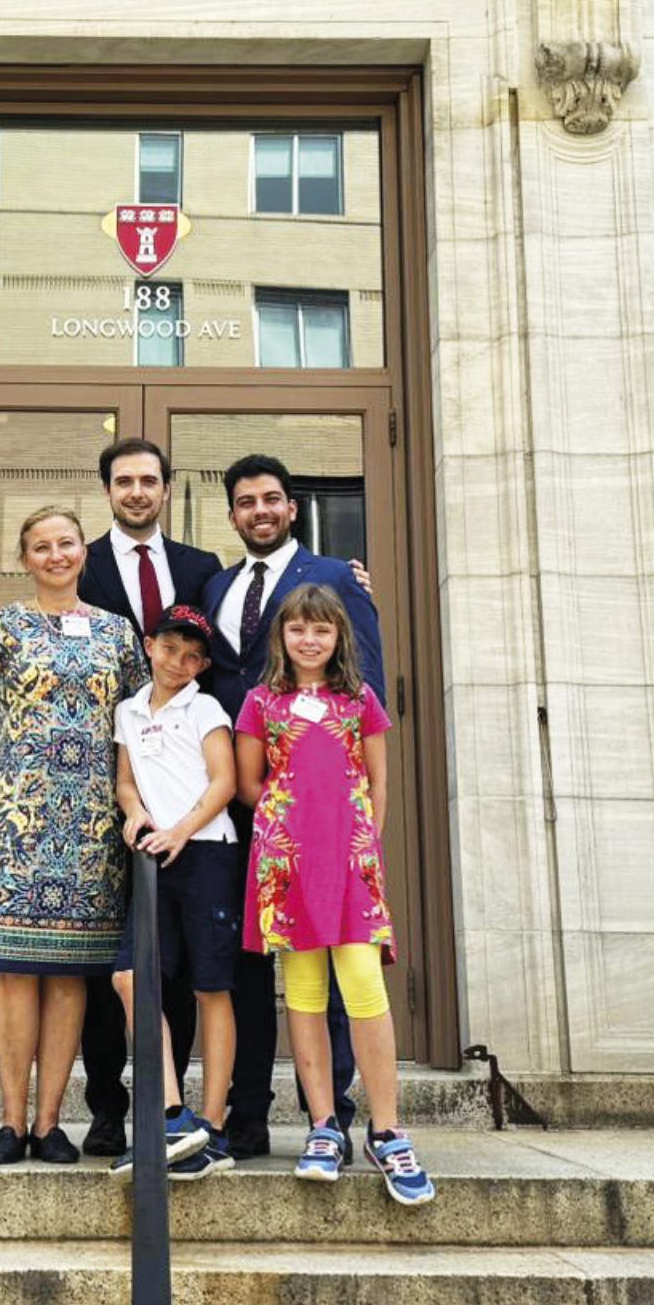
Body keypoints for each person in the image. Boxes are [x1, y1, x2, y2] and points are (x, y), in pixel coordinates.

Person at [200, 452, 386, 1160]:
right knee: (246, 959)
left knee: (336, 960)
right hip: (234, 799)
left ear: (291, 507)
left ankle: (331, 1113)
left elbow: (364, 690)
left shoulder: (336, 578)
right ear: (233, 515)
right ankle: (246, 1115)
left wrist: (361, 821)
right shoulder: (217, 584)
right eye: (247, 502)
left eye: (272, 499)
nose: (261, 511)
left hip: (322, 813)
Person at [0, 505, 147, 1165]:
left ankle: (50, 1122)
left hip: (90, 822)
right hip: (12, 816)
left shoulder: (119, 633)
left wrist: (137, 806)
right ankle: (10, 1122)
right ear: (25, 557)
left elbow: (144, 725)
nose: (56, 554)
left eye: (66, 543)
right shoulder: (2, 625)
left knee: (69, 975)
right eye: (41, 546)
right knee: (10, 971)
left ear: (82, 552)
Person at [235, 583, 435, 1207]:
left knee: (364, 989)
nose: (309, 639)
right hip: (289, 864)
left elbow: (378, 784)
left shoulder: (360, 700)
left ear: (338, 636)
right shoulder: (260, 703)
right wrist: (284, 833)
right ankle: (323, 1126)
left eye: (321, 630)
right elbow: (250, 785)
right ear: (282, 637)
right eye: (298, 629)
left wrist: (362, 845)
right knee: (304, 995)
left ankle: (386, 1129)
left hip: (350, 864)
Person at [73, 437, 221, 1155]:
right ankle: (110, 1108)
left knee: (177, 966)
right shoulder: (84, 564)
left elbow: (231, 659)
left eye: (149, 481)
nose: (137, 491)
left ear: (166, 489)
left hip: (186, 799)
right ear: (107, 491)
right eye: (124, 481)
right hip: (107, 789)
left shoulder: (201, 568)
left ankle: (174, 1105)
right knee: (117, 962)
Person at [109, 605, 240, 1182]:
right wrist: (135, 814)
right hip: (154, 856)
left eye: (192, 656)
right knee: (131, 976)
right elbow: (125, 779)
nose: (177, 662)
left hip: (206, 850)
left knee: (211, 986)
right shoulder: (129, 709)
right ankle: (170, 1112)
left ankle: (213, 1125)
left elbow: (225, 782)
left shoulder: (204, 706)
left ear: (203, 664)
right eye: (168, 649)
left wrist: (181, 830)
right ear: (149, 644)